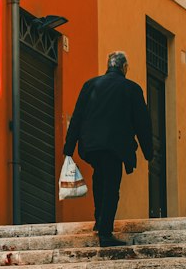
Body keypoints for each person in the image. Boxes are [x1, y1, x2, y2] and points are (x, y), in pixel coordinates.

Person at [63, 50, 153, 247]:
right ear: (124, 68)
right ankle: (105, 232)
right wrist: (149, 152)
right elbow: (142, 123)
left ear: (108, 65)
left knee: (99, 177)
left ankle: (99, 219)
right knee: (111, 185)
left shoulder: (90, 85)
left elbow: (77, 117)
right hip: (115, 145)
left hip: (92, 145)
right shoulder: (132, 89)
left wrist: (69, 148)